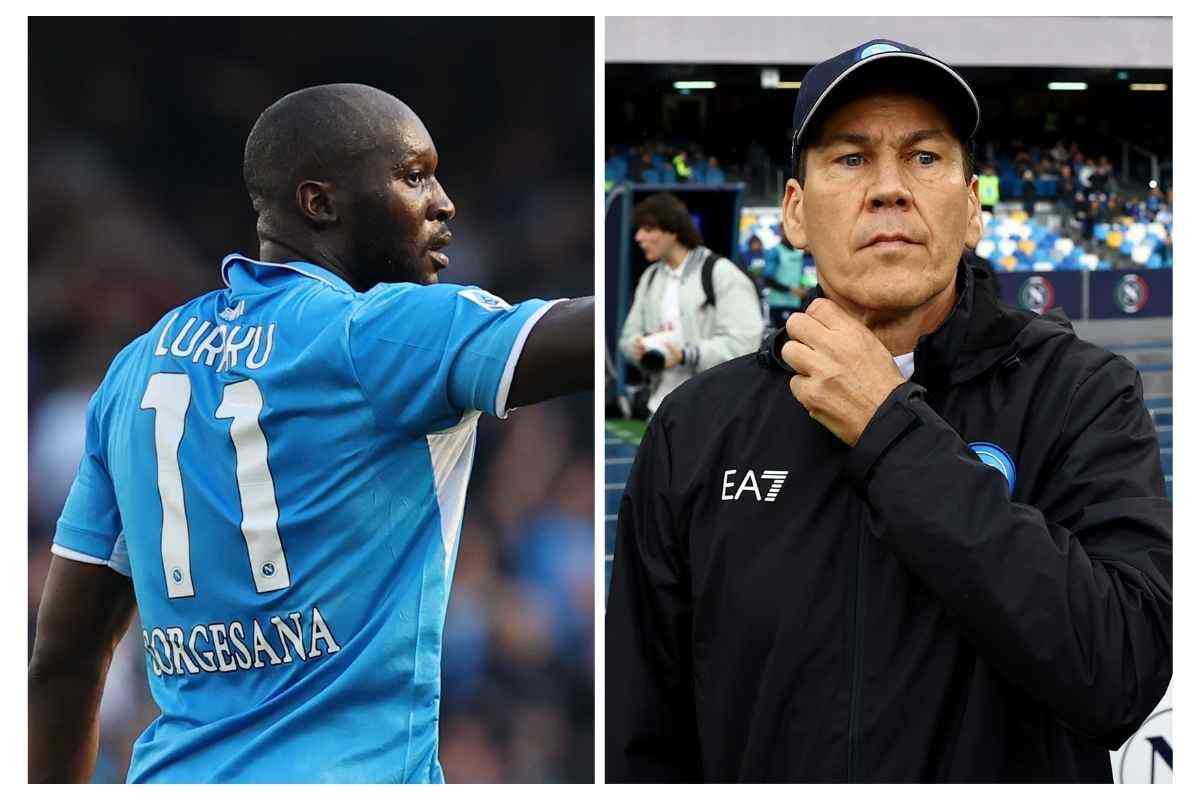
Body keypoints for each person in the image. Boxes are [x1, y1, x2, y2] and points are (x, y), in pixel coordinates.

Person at [606, 39, 1170, 782]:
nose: (889, 189)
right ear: (795, 214)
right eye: (850, 159)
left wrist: (891, 428)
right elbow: (640, 743)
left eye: (925, 158)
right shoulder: (697, 428)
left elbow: (1121, 672)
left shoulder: (1083, 394)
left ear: (973, 209)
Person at [28, 83, 593, 784]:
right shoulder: (378, 333)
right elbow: (601, 333)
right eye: (414, 176)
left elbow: (64, 662)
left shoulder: (135, 369)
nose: (444, 202)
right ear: (319, 203)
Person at [618, 192, 762, 416]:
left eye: (647, 229)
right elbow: (628, 338)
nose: (638, 237)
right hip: (661, 409)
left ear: (672, 231)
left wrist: (687, 355)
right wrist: (637, 350)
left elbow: (745, 344)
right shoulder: (651, 278)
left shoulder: (721, 274)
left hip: (714, 409)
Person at [760, 237, 811, 328]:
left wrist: (803, 288)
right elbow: (768, 279)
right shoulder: (775, 251)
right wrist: (790, 290)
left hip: (795, 304)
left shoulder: (799, 253)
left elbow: (799, 275)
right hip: (778, 304)